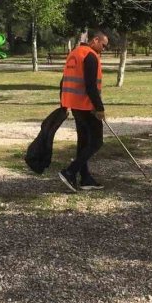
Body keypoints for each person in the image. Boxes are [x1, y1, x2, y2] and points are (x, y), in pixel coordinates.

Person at [58, 30, 109, 192]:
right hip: (87, 107)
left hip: (75, 105)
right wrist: (99, 108)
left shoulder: (74, 53)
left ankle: (85, 178)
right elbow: (90, 85)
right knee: (96, 141)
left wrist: (63, 103)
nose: (104, 49)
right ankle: (70, 172)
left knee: (83, 141)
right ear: (95, 40)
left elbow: (63, 80)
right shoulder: (90, 56)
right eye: (103, 45)